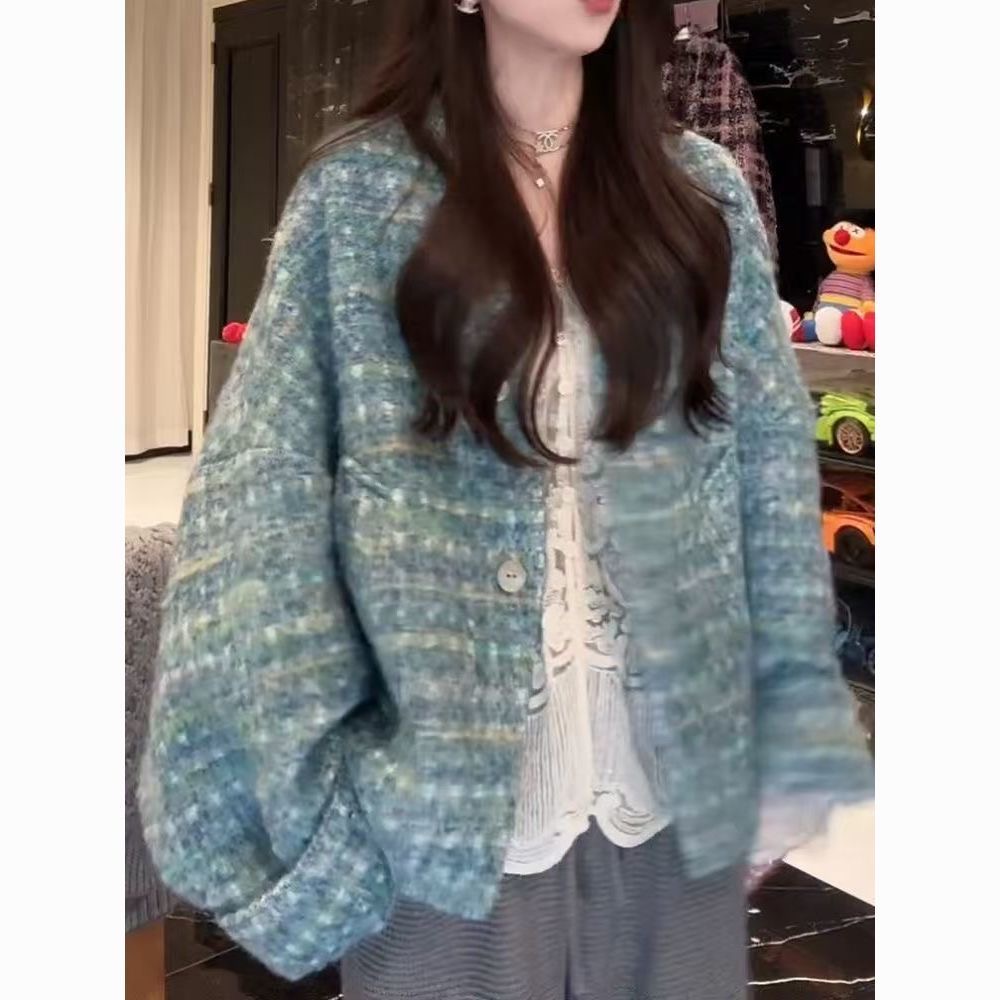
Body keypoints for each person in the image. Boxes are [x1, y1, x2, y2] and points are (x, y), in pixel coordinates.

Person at [140, 1, 874, 997]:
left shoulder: (698, 192)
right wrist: (310, 829)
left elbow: (768, 486)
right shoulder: (360, 199)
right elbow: (255, 532)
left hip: (679, 823)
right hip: (440, 844)